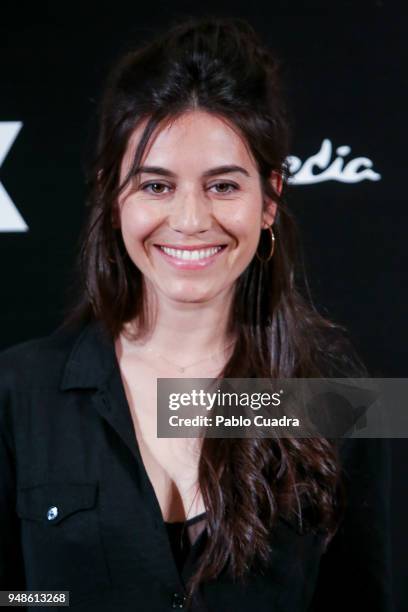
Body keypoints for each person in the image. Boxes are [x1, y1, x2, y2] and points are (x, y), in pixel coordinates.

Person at [0, 15, 393, 612]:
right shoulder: (19, 392)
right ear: (112, 197)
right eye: (156, 185)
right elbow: (15, 596)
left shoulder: (336, 392)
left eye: (223, 186)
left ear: (270, 198)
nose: (189, 220)